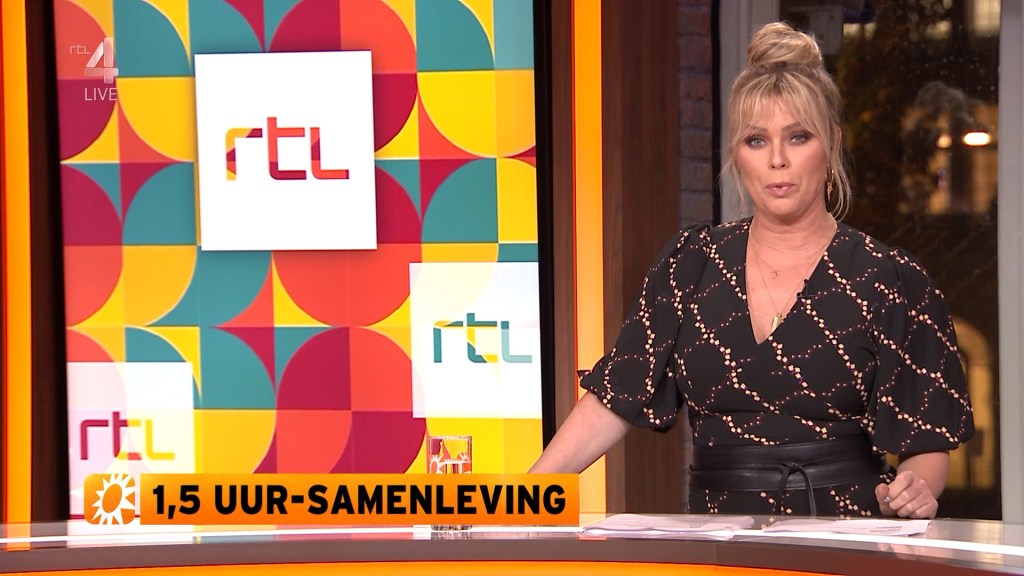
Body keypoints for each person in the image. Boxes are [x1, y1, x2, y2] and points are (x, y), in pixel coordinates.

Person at [529, 22, 975, 518]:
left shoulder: (885, 277)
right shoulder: (693, 263)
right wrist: (519, 500)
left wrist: (915, 490)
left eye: (798, 137)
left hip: (846, 537)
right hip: (718, 539)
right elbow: (617, 394)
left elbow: (927, 437)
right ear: (737, 154)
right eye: (756, 140)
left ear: (831, 144)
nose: (777, 160)